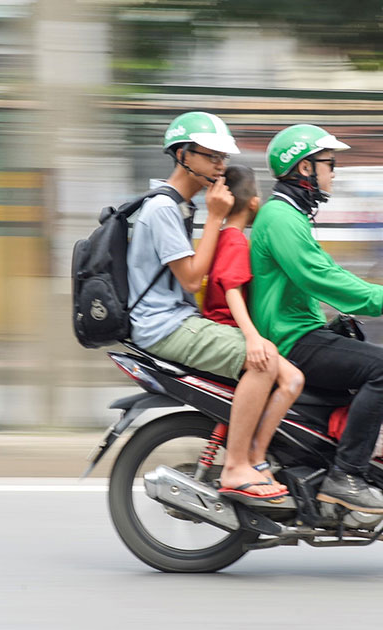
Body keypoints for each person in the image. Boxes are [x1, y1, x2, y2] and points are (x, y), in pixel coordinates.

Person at [250, 124, 383, 514]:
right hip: (289, 340)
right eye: (328, 163)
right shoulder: (282, 217)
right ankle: (345, 476)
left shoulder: (290, 215)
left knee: (361, 353)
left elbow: (327, 272)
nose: (333, 172)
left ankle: (329, 466)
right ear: (305, 169)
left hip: (297, 329)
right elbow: (317, 277)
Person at [126, 111, 287, 500]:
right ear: (183, 154)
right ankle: (237, 466)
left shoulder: (179, 206)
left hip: (176, 319)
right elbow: (191, 279)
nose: (220, 166)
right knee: (262, 361)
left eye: (223, 158)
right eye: (211, 156)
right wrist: (216, 217)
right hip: (165, 325)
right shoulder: (164, 209)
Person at [201, 164, 304, 492]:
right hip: (228, 328)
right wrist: (252, 336)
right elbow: (231, 289)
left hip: (225, 326)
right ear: (255, 203)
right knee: (292, 379)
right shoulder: (234, 241)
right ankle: (254, 456)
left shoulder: (224, 237)